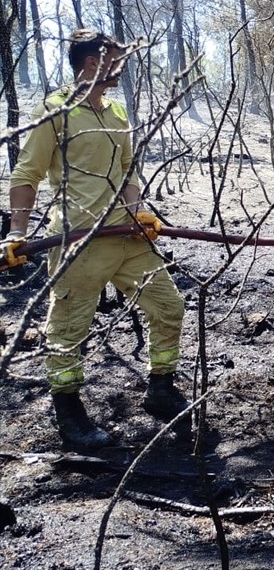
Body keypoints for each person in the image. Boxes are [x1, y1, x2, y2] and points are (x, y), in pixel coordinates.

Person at [1, 29, 189, 449]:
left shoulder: (117, 113)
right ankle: (68, 412)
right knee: (68, 330)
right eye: (116, 61)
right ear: (92, 63)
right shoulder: (56, 111)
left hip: (127, 237)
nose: (122, 69)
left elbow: (127, 171)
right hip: (78, 243)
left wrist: (138, 211)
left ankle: (161, 388)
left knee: (168, 307)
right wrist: (16, 232)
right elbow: (26, 174)